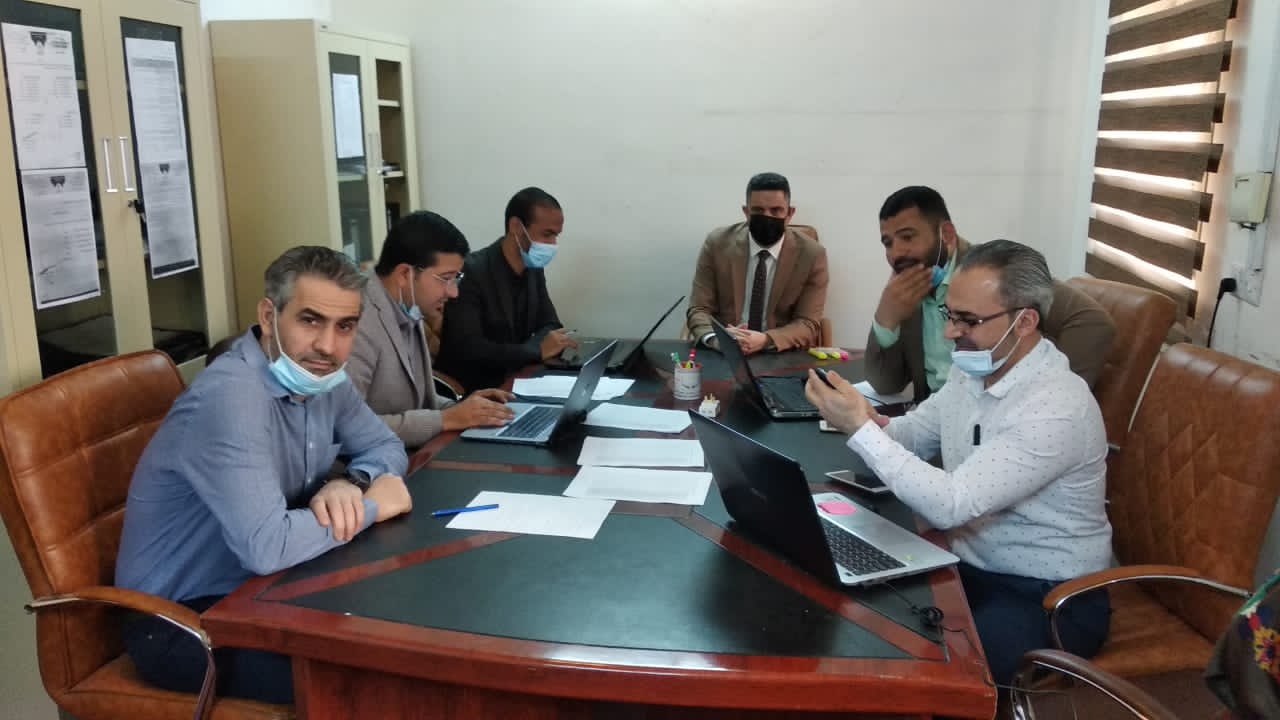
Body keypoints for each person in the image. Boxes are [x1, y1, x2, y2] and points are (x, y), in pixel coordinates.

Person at [805, 239, 1113, 687]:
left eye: (968, 320)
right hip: (967, 564)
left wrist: (859, 430)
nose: (951, 332)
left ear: (1025, 321)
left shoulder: (1056, 406)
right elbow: (915, 433)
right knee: (858, 618)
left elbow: (952, 503)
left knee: (940, 674)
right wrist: (867, 418)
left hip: (1048, 596)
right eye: (950, 314)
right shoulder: (973, 367)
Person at [115, 246, 414, 704]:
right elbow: (267, 546)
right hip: (184, 623)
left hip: (266, 589)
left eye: (345, 326)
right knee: (374, 681)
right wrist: (373, 505)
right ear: (269, 316)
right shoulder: (231, 399)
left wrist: (349, 484)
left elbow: (385, 447)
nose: (328, 346)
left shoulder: (323, 380)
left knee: (401, 631)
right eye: (310, 321)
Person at [866, 186, 1115, 401]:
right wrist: (885, 319)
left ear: (946, 234)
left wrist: (1041, 397)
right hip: (935, 422)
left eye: (907, 237)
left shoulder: (988, 272)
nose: (896, 253)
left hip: (994, 425)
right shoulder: (907, 291)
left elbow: (1092, 321)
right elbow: (885, 384)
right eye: (888, 243)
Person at [347, 211, 515, 450]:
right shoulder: (356, 321)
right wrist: (447, 419)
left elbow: (420, 401)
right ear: (405, 274)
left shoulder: (409, 305)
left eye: (456, 278)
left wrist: (468, 409)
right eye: (445, 278)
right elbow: (350, 429)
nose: (453, 292)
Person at [436, 187, 577, 392]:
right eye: (547, 234)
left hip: (519, 379)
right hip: (475, 389)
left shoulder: (533, 267)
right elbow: (470, 349)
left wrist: (541, 347)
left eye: (556, 235)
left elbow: (550, 324)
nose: (552, 244)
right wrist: (535, 351)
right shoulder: (471, 271)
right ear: (516, 226)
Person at [686, 172, 829, 355]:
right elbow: (699, 308)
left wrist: (765, 340)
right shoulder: (717, 244)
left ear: (790, 213)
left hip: (778, 352)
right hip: (724, 351)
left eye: (776, 210)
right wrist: (716, 340)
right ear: (746, 212)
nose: (767, 217)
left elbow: (808, 323)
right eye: (758, 210)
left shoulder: (812, 255)